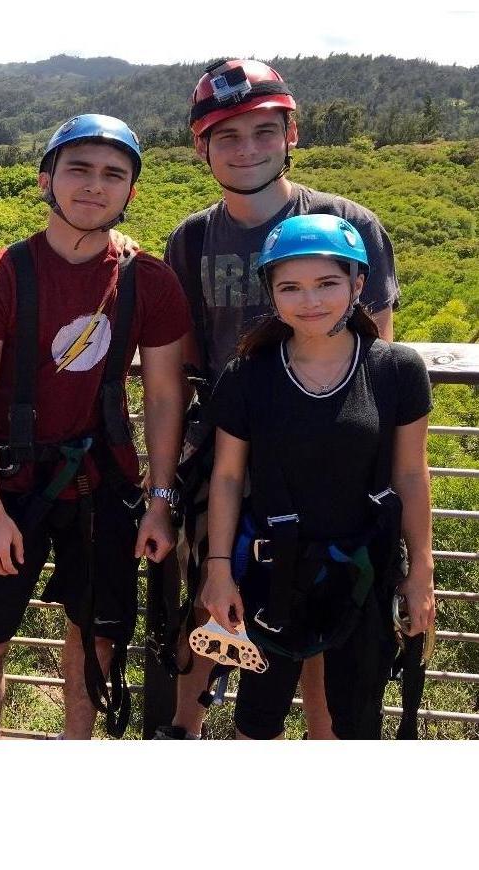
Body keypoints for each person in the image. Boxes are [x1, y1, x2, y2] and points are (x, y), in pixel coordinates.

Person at [161, 58, 401, 739]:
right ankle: (189, 734)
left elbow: (375, 357)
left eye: (264, 132)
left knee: (321, 612)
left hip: (328, 464)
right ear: (201, 146)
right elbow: (178, 366)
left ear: (291, 134)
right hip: (222, 461)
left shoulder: (347, 223)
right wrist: (165, 485)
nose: (248, 150)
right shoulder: (192, 239)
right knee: (207, 612)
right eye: (228, 136)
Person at [0, 114, 191, 739]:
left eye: (113, 174)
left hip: (104, 485)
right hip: (12, 485)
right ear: (45, 180)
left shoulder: (150, 280)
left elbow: (167, 396)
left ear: (131, 192)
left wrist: (160, 503)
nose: (94, 186)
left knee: (96, 635)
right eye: (78, 169)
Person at [200, 214, 435, 739]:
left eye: (328, 283)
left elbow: (411, 475)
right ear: (272, 294)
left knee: (357, 722)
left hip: (366, 571)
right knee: (257, 721)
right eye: (291, 287)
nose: (310, 301)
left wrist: (421, 570)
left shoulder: (396, 369)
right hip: (271, 572)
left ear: (358, 284)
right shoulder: (250, 375)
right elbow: (228, 478)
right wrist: (219, 568)